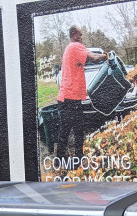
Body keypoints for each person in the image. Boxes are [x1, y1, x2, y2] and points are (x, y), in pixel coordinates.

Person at [55, 25, 107, 160]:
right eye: (80, 35)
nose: (82, 37)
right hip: (70, 97)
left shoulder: (69, 48)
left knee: (69, 129)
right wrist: (106, 56)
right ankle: (70, 157)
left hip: (67, 96)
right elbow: (94, 58)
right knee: (74, 129)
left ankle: (69, 156)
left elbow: (90, 56)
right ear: (74, 35)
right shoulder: (75, 46)